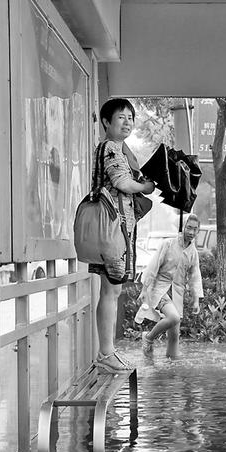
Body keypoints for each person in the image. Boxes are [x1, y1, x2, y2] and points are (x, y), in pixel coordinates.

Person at [89, 98, 154, 373]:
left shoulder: (117, 148)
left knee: (111, 289)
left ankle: (108, 352)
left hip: (114, 227)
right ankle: (105, 354)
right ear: (106, 122)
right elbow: (122, 182)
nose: (127, 122)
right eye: (121, 118)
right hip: (113, 228)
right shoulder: (111, 148)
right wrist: (146, 186)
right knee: (110, 290)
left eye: (130, 117)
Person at [135, 214, 203, 359]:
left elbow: (195, 277)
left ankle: (172, 367)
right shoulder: (168, 244)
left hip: (177, 293)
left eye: (194, 229)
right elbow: (153, 267)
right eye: (188, 227)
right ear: (183, 227)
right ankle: (148, 337)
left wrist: (196, 300)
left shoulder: (193, 253)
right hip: (160, 289)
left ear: (198, 232)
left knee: (174, 337)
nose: (191, 232)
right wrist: (144, 290)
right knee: (174, 317)